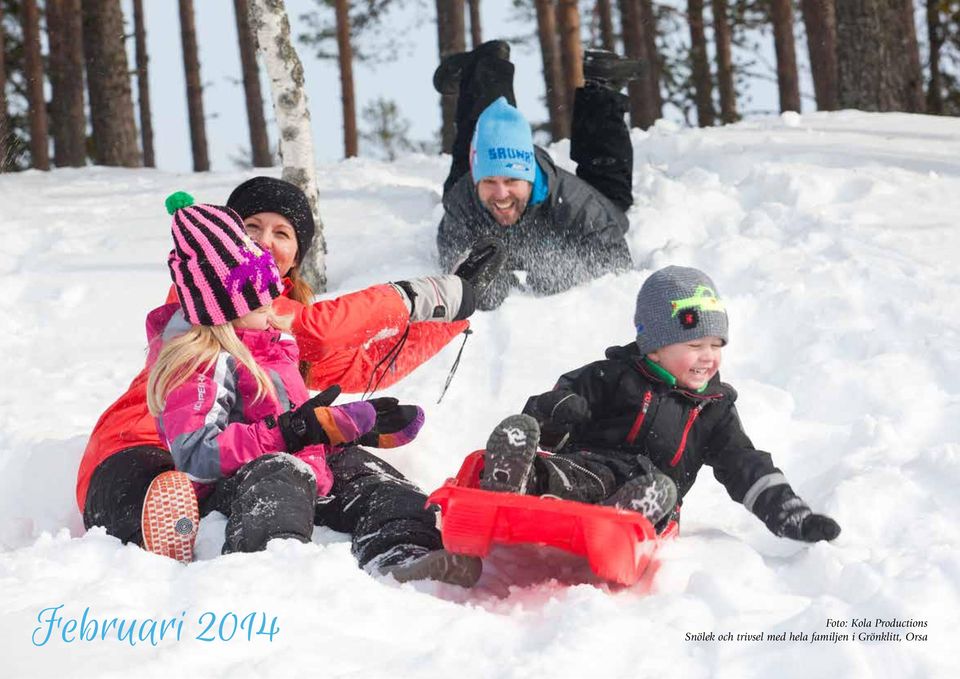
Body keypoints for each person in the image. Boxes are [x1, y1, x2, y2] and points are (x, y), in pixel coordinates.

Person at [78, 178, 496, 586]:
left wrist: (454, 314)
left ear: (296, 257)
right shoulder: (200, 299)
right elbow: (320, 328)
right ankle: (222, 564)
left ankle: (405, 553)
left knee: (367, 479)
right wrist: (426, 296)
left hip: (246, 456)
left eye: (282, 233)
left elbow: (367, 365)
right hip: (141, 446)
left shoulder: (276, 341)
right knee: (159, 498)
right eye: (251, 227)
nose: (264, 240)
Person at [478, 266, 842, 544]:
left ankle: (620, 519)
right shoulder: (612, 376)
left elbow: (745, 465)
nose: (708, 358)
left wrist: (791, 514)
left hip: (653, 503)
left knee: (656, 489)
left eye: (716, 346)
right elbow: (542, 418)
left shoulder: (713, 409)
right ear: (654, 345)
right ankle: (522, 479)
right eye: (695, 346)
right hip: (585, 469)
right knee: (578, 473)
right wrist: (557, 413)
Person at [436, 41, 639, 309]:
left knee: (612, 197)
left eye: (511, 181)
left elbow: (616, 269)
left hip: (576, 210)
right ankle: (487, 65)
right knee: (485, 134)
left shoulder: (578, 205)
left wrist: (554, 271)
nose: (501, 193)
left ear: (530, 177)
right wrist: (490, 281)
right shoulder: (463, 198)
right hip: (478, 170)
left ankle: (602, 87)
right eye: (489, 181)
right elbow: (458, 268)